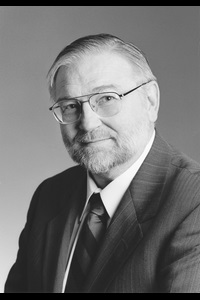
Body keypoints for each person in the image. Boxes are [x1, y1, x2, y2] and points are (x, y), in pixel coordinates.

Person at [5, 33, 200, 293]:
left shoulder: (193, 203)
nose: (87, 123)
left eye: (107, 98)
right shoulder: (49, 195)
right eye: (70, 105)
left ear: (150, 100)